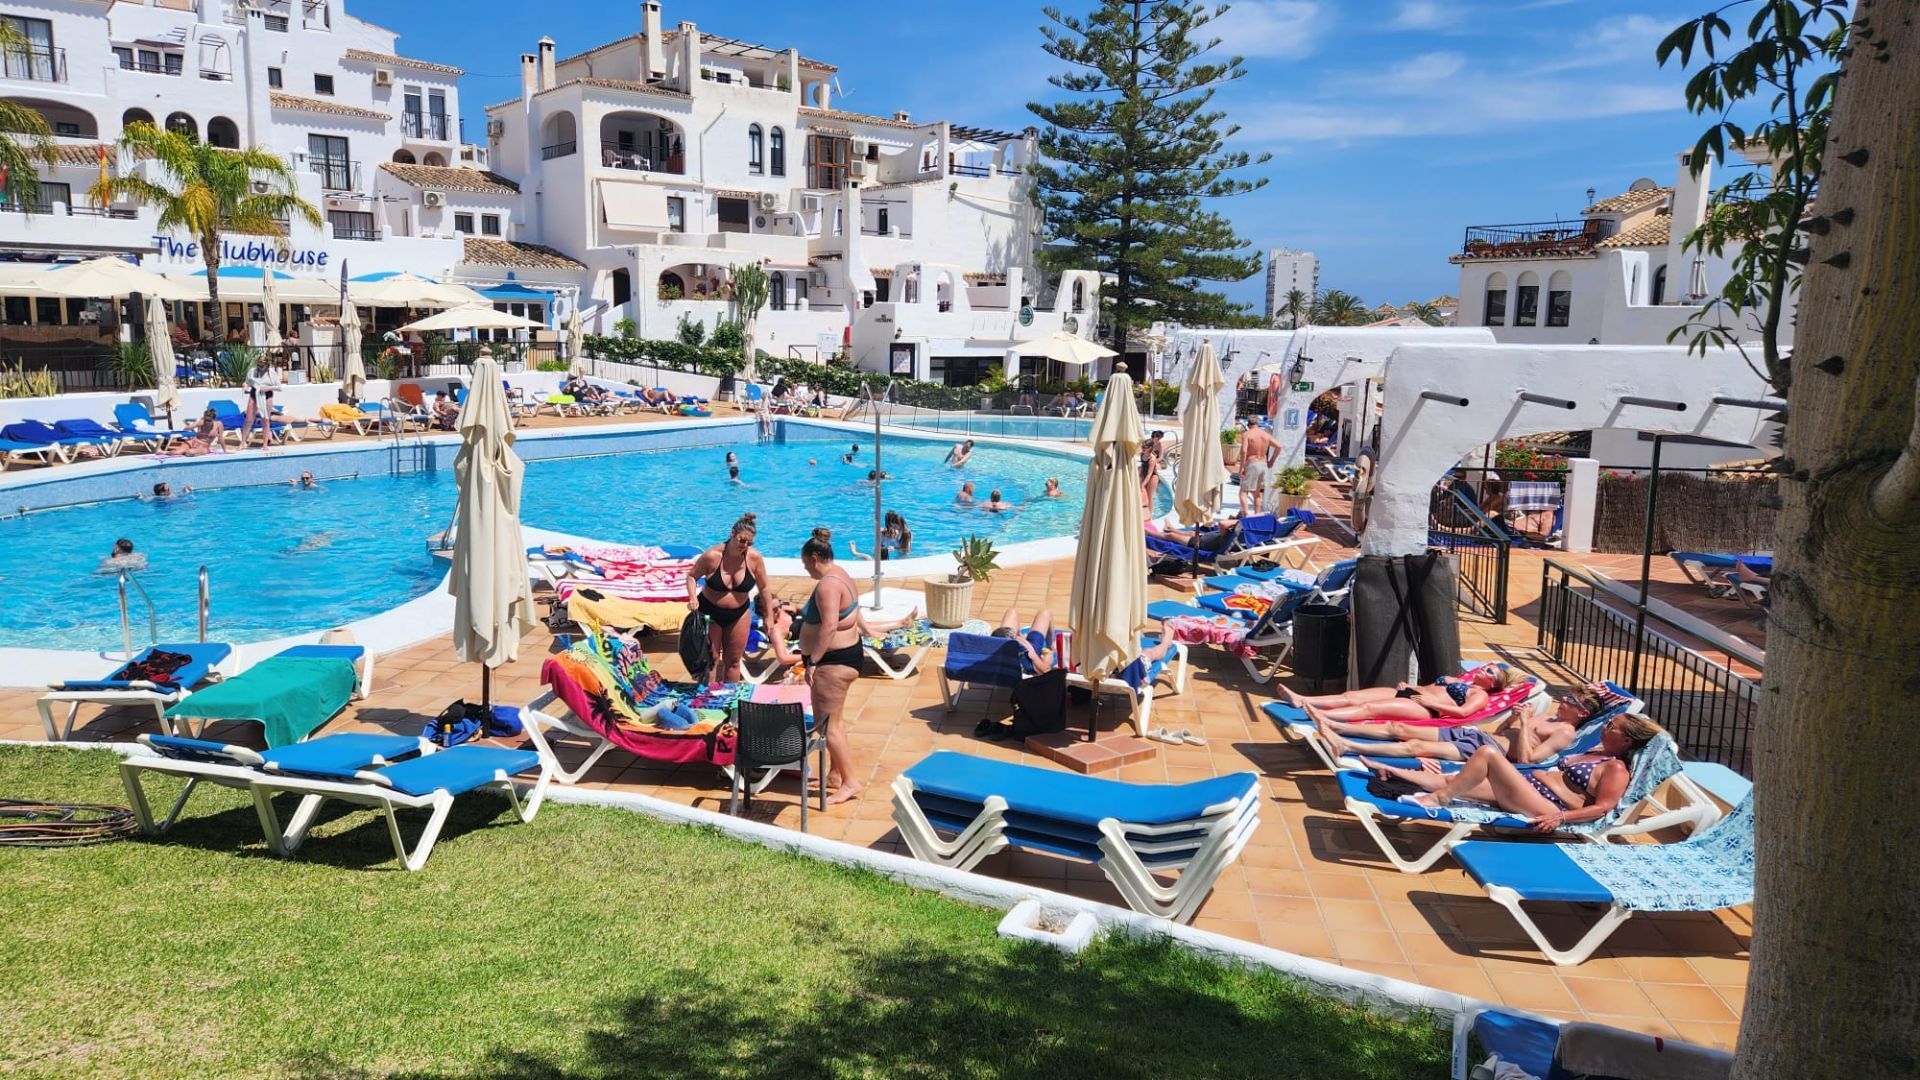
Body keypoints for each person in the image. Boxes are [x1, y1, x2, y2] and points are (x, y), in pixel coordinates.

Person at [1360, 712, 1666, 832]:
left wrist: (1559, 817)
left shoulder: (1616, 768)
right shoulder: (1598, 753)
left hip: (1548, 806)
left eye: (1612, 727)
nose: (1606, 728)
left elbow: (1603, 807)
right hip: (1531, 789)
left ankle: (1437, 800)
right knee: (1458, 779)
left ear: (1627, 740)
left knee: (1488, 755)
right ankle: (1391, 771)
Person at [1312, 681, 1613, 768]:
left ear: (1583, 713)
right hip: (1480, 736)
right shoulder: (1547, 717)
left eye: (1571, 702)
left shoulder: (1564, 732)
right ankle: (1335, 726)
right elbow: (1500, 731)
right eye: (1567, 697)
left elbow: (1526, 759)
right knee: (1397, 728)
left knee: (1416, 746)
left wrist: (1522, 725)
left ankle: (1348, 746)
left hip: (1486, 752)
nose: (1564, 702)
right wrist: (1512, 718)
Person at [796, 528, 866, 804]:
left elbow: (828, 626)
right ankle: (836, 774)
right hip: (846, 656)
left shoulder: (827, 584)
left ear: (815, 558)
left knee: (827, 727)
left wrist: (813, 661)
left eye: (805, 565)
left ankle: (850, 782)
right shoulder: (842, 574)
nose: (806, 571)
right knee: (835, 721)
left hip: (832, 661)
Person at [1279, 663, 1524, 723]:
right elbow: (1432, 687)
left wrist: (1431, 702)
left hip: (1425, 709)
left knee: (1369, 710)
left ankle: (1323, 717)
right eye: (1486, 666)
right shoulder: (1462, 680)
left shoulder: (1480, 695)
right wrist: (1409, 687)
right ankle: (1303, 700)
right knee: (1351, 696)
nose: (1484, 668)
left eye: (1489, 670)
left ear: (1493, 683)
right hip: (1411, 694)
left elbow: (1462, 713)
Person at [685, 513, 770, 684]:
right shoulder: (713, 556)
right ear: (732, 533)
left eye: (749, 543)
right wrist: (693, 597)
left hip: (738, 614)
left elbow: (764, 587)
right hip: (710, 612)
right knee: (711, 660)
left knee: (733, 661)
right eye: (742, 540)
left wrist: (769, 617)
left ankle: (729, 699)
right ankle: (707, 699)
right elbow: (692, 576)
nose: (745, 546)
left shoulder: (754, 559)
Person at [991, 607, 1056, 675]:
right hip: (1031, 651)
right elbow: (1045, 670)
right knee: (1045, 613)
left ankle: (1018, 635)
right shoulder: (1027, 663)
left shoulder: (995, 656)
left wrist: (1020, 638)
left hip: (1017, 648)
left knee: (1012, 611)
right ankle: (1050, 646)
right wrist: (1047, 659)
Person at [242, 352, 286, 447]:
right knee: (248, 420)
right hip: (254, 394)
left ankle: (265, 443)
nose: (261, 367)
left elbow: (279, 387)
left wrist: (267, 388)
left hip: (267, 396)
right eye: (259, 364)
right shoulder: (252, 371)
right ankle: (242, 442)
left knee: (265, 420)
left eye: (263, 364)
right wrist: (245, 387)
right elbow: (247, 382)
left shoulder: (272, 373)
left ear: (267, 365)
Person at [1238, 420, 1276, 516]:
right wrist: (1271, 461)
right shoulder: (1265, 435)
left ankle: (1245, 515)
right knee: (1257, 494)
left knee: (1243, 492)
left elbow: (1244, 451)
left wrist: (1242, 467)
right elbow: (1279, 446)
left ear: (1248, 424)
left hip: (1252, 463)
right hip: (1263, 464)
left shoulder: (1247, 434)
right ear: (1257, 423)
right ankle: (1256, 516)